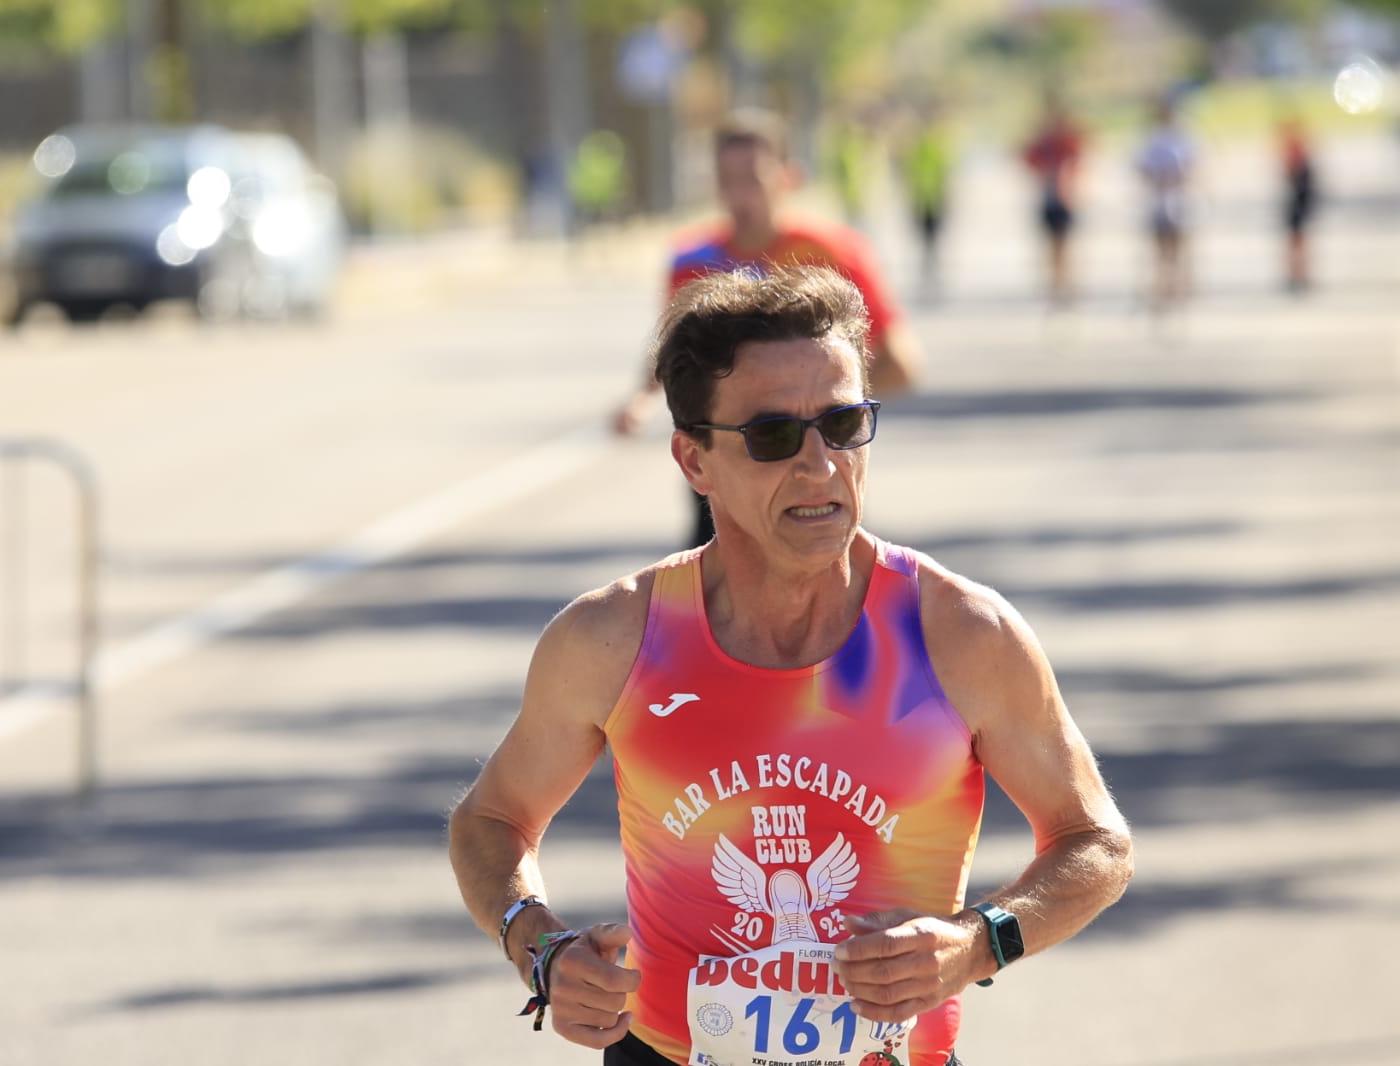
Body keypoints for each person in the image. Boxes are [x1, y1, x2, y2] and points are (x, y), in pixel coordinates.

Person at [451, 265, 1135, 1066]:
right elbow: (490, 821)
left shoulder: (963, 635)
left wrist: (975, 945)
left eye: (844, 424)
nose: (819, 465)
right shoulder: (613, 638)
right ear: (694, 461)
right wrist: (541, 949)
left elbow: (1096, 843)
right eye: (774, 436)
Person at [613, 108, 923, 549]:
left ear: (787, 177)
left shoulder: (831, 252)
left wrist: (826, 416)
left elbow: (904, 363)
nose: (739, 195)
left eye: (753, 179)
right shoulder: (691, 261)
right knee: (718, 592)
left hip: (821, 465)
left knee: (828, 577)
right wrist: (641, 399)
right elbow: (674, 355)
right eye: (726, 180)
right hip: (728, 462)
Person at [1022, 97, 1085, 306]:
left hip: (1066, 199)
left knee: (1066, 245)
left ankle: (1067, 286)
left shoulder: (1069, 141)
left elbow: (1080, 161)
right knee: (1051, 246)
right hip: (1048, 200)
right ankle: (1054, 286)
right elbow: (1027, 158)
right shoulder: (1043, 142)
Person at [1135, 96, 1197, 311]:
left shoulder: (1183, 137)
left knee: (1179, 247)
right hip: (1159, 200)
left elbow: (1193, 166)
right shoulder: (1151, 137)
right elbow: (1141, 167)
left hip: (1179, 200)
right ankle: (1163, 289)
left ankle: (1179, 290)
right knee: (1161, 248)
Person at [900, 104, 955, 303]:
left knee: (931, 242)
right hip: (924, 200)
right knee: (927, 242)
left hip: (931, 200)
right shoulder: (923, 145)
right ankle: (929, 277)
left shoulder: (933, 144)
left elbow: (944, 172)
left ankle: (932, 277)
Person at [1278, 114, 1317, 293]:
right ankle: (1297, 275)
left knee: (1296, 239)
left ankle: (1297, 275)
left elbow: (1290, 173)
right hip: (1299, 200)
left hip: (1298, 200)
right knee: (1297, 240)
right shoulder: (1301, 150)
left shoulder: (1297, 151)